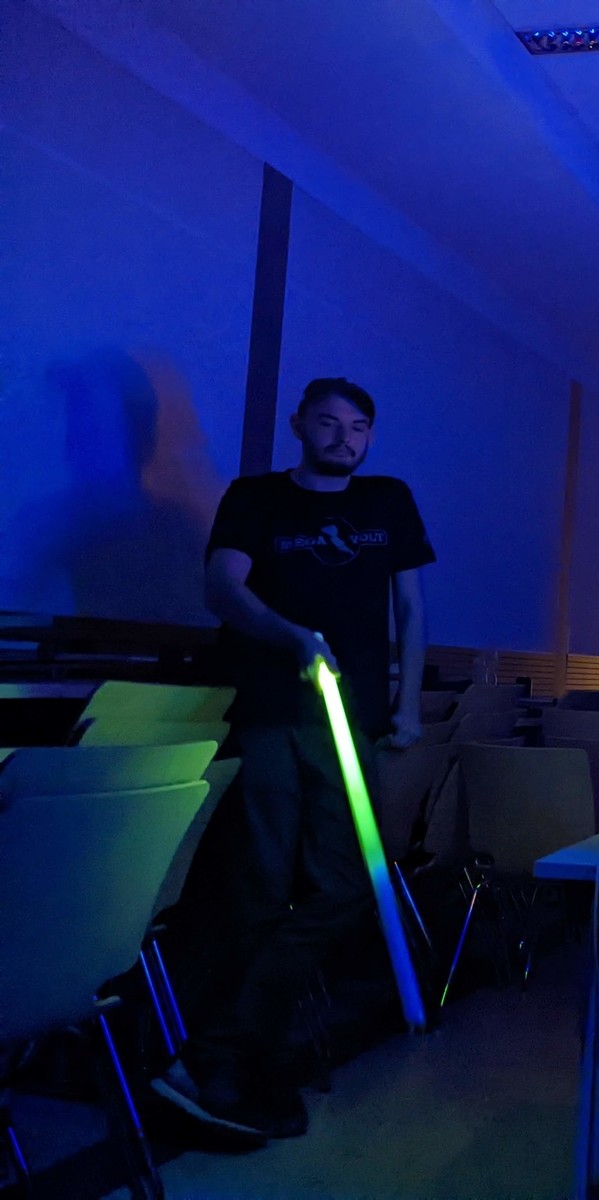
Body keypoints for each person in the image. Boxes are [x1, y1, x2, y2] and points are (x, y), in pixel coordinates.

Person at [153, 377, 434, 1141]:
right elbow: (222, 588)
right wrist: (294, 638)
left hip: (351, 720)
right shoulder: (255, 498)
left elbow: (410, 608)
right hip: (273, 711)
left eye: (359, 426)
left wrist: (407, 703)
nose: (345, 438)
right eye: (329, 423)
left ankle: (218, 1052)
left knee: (344, 887)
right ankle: (236, 1064)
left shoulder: (388, 501)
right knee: (262, 888)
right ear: (299, 425)